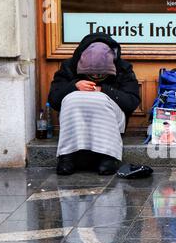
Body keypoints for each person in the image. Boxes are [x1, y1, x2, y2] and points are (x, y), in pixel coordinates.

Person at [48, 33, 140, 175]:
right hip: (77, 116)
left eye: (101, 75)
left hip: (110, 114)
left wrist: (104, 89)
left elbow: (131, 102)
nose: (96, 78)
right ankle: (67, 156)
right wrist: (74, 86)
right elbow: (54, 100)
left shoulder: (123, 68)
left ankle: (108, 156)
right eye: (92, 75)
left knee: (100, 99)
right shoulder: (68, 67)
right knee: (72, 98)